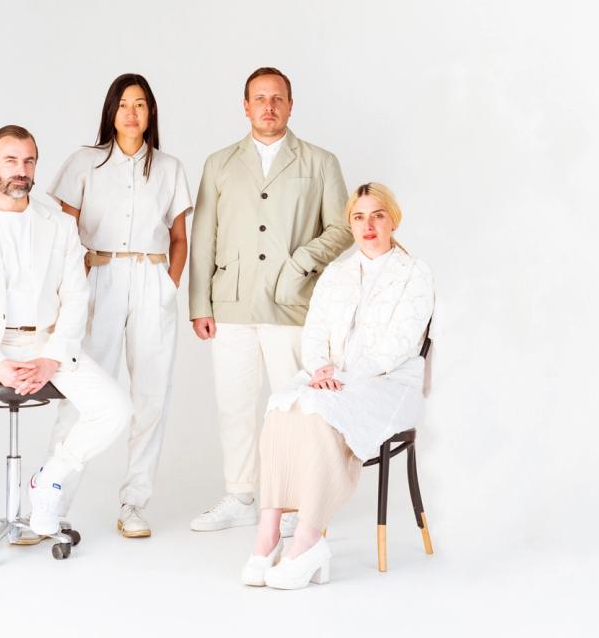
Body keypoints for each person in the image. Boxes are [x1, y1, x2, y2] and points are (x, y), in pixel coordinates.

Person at [0, 125, 131, 549]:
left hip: (46, 343)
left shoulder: (58, 225)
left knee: (115, 409)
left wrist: (52, 358)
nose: (22, 170)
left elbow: (75, 296)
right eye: (11, 160)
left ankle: (50, 481)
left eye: (29, 160)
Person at [240, 182, 435, 589]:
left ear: (392, 220)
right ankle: (269, 533)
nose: (368, 225)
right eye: (359, 217)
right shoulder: (337, 273)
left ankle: (309, 539)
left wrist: (343, 378)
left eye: (377, 215)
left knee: (320, 414)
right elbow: (314, 333)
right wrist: (321, 368)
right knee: (281, 407)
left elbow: (399, 344)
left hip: (389, 383)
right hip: (331, 377)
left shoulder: (414, 273)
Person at [188, 67, 354, 532]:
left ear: (290, 104)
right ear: (245, 106)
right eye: (259, 98)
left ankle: (300, 504)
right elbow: (203, 237)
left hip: (292, 303)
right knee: (234, 404)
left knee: (294, 408)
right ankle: (240, 496)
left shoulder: (320, 162)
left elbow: (342, 228)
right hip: (232, 303)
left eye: (277, 98)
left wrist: (303, 260)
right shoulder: (219, 164)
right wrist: (199, 302)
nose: (268, 106)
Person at [46, 74, 192, 538]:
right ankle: (52, 501)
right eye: (124, 104)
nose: (132, 113)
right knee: (80, 392)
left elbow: (179, 237)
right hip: (98, 277)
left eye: (141, 104)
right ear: (111, 110)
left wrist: (168, 285)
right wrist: (74, 285)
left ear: (151, 113)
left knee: (151, 396)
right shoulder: (84, 163)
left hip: (152, 280)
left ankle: (134, 503)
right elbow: (61, 231)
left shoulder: (168, 168)